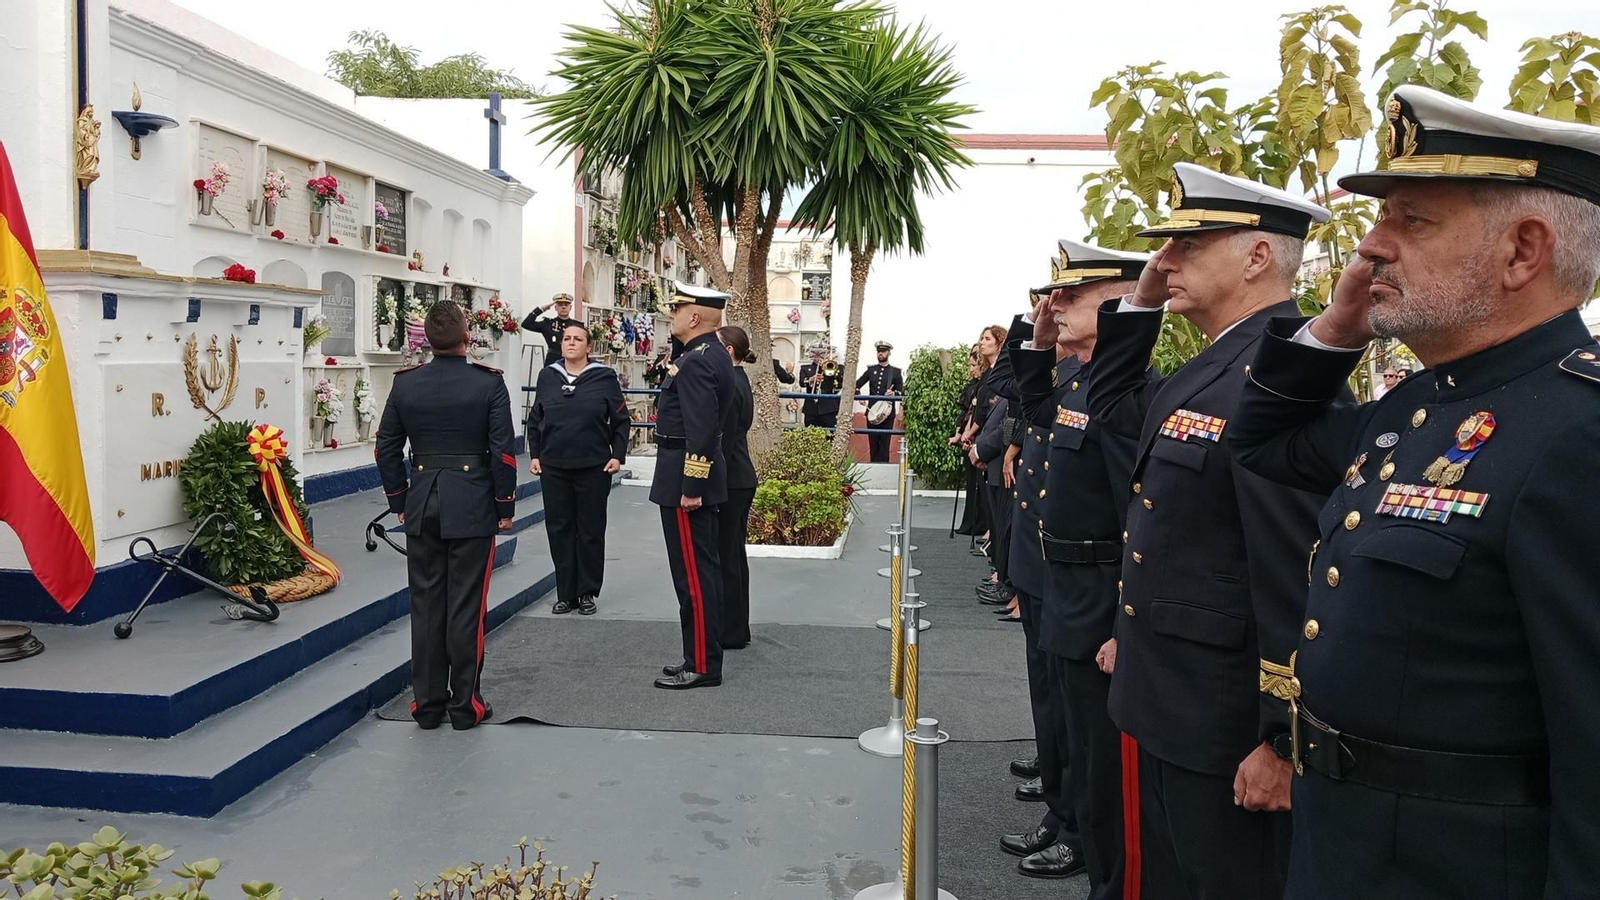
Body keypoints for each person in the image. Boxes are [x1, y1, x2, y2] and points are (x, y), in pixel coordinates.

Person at [1228, 85, 1600, 900]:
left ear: (1523, 250)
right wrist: (1331, 330)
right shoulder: (1417, 408)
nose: (1371, 246)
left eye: (1411, 219)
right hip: (1341, 848)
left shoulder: (1579, 433)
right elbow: (1260, 445)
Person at [1086, 162, 1341, 900]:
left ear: (1258, 257)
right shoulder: (1219, 358)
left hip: (1227, 718)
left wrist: (1280, 737)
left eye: (1189, 247)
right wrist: (1138, 302)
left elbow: (1298, 566)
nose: (1166, 261)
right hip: (1173, 695)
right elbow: (1113, 410)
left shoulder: (1289, 371)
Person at [1008, 240, 1153, 898]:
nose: (1055, 303)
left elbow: (1141, 518)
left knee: (1102, 760)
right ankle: (1074, 830)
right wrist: (1037, 342)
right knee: (1073, 739)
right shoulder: (1080, 382)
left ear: (1124, 303)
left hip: (1101, 594)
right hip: (1063, 582)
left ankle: (1104, 869)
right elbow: (1037, 414)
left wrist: (1128, 619)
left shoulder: (1128, 396)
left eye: (1073, 295)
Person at [375, 300, 516, 731]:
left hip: (422, 504)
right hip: (472, 504)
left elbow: (385, 449)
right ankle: (464, 706)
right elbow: (503, 451)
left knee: (427, 604)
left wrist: (400, 501)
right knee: (467, 607)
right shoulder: (489, 384)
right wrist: (504, 506)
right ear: (466, 335)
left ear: (428, 341)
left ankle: (427, 705)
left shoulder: (405, 384)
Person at [653, 282, 736, 690]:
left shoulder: (699, 360)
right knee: (699, 572)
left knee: (694, 576)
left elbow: (701, 431)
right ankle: (698, 655)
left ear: (695, 316)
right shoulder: (708, 354)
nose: (673, 316)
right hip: (685, 471)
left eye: (677, 309)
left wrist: (691, 486)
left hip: (684, 477)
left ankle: (702, 664)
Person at [526, 323, 629, 616]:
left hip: (593, 466)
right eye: (567, 339)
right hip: (554, 466)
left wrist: (618, 455)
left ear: (588, 347)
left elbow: (621, 421)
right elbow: (536, 420)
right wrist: (536, 454)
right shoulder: (548, 376)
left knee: (590, 530)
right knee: (559, 529)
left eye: (578, 339)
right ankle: (565, 593)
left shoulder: (604, 378)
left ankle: (586, 592)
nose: (571, 343)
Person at [715, 325, 758, 650]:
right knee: (733, 554)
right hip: (740, 476)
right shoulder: (740, 379)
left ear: (728, 351)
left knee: (727, 556)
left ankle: (731, 631)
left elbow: (727, 439)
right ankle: (736, 627)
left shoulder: (732, 383)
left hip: (732, 477)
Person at [856, 341, 905, 462]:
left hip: (887, 413)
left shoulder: (895, 372)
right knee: (873, 443)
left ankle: (884, 467)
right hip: (872, 411)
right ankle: (873, 466)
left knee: (884, 443)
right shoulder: (871, 370)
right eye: (879, 351)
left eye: (883, 351)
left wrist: (894, 394)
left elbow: (902, 392)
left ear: (889, 353)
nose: (880, 354)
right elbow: (857, 385)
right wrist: (859, 397)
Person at [522, 292, 581, 362]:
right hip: (552, 361)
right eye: (560, 304)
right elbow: (526, 324)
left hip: (572, 361)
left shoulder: (577, 326)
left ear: (570, 307)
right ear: (555, 307)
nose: (563, 307)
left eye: (566, 304)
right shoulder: (548, 323)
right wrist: (541, 309)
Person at [798, 344, 843, 429]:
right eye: (815, 354)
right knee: (810, 434)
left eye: (822, 353)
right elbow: (801, 382)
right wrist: (810, 380)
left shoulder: (833, 366)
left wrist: (831, 365)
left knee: (830, 434)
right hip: (811, 408)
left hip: (828, 408)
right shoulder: (805, 368)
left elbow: (841, 379)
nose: (818, 357)